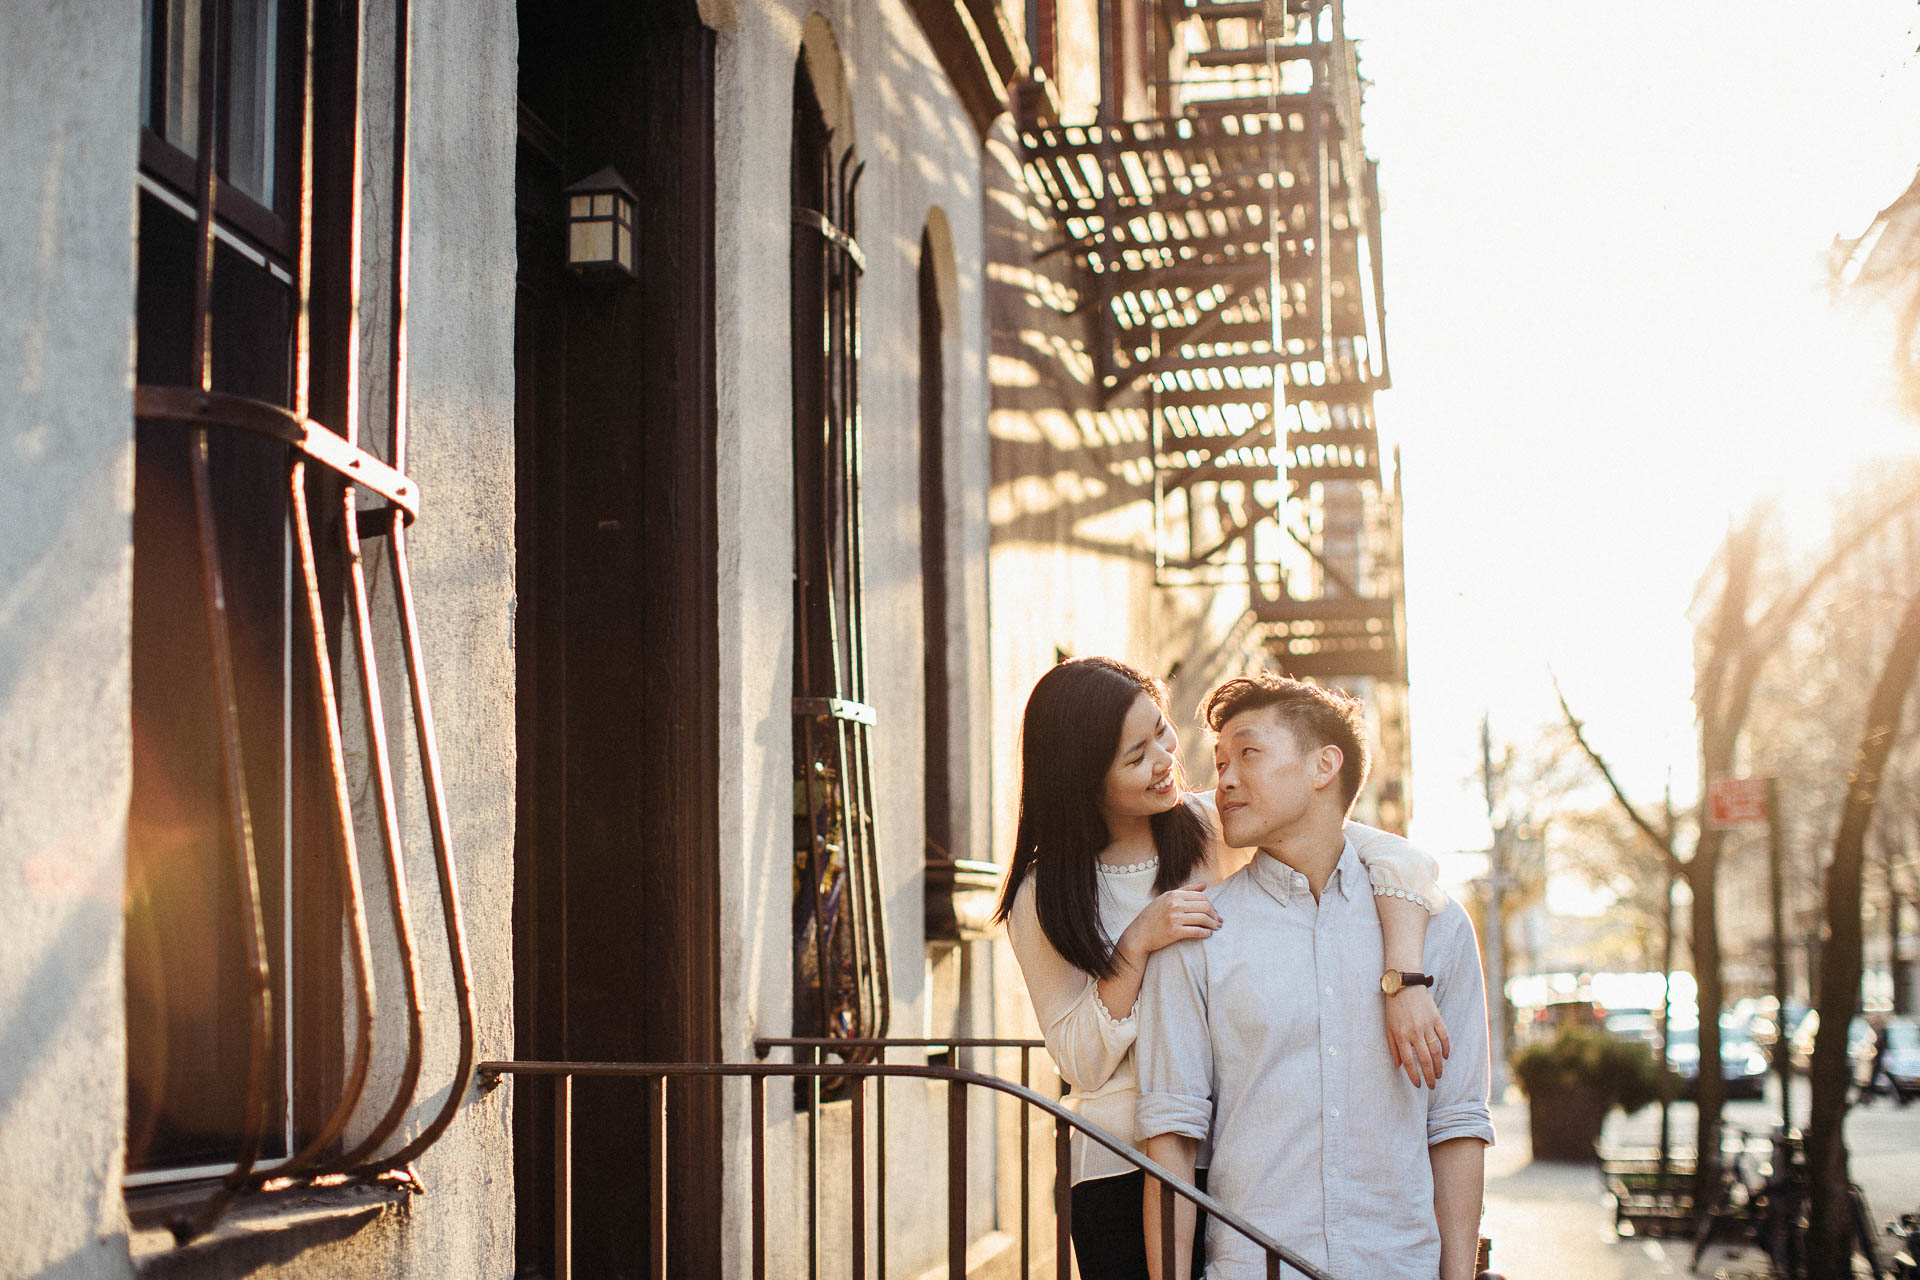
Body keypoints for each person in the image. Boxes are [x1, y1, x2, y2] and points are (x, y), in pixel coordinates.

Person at [994, 657, 1453, 1279]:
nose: (1164, 760)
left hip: (1235, 1156)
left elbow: (1401, 860)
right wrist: (1136, 944)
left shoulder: (1217, 823)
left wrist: (1404, 979)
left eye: (1161, 730)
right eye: (1135, 756)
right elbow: (1078, 1059)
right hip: (1125, 1170)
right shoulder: (1044, 893)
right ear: (1082, 779)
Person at [1135, 672, 1494, 1280]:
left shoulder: (1437, 929)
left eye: (1248, 752)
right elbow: (1171, 1139)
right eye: (1219, 761)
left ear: (1324, 765)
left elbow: (1456, 1121)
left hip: (1399, 1265)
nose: (1223, 779)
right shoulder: (1196, 937)